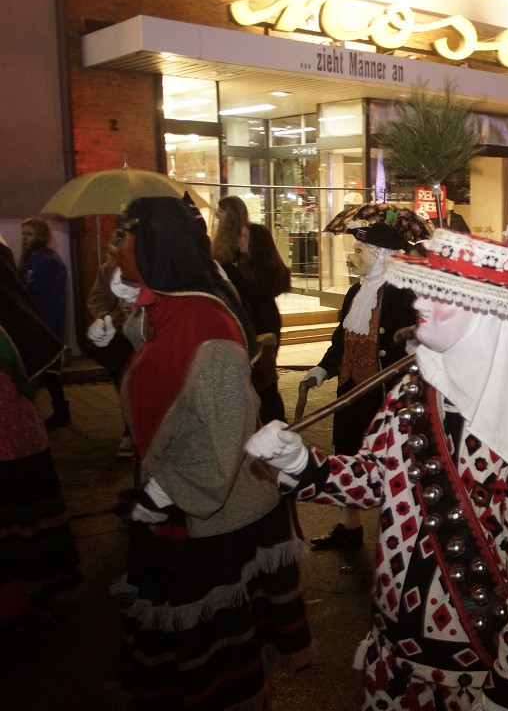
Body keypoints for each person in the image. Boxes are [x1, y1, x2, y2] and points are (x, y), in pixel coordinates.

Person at [246, 227, 508, 710]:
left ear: (487, 314)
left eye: (440, 293)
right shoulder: (412, 392)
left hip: (472, 679)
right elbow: (372, 480)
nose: (420, 300)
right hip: (393, 657)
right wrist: (298, 462)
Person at [108, 197, 312, 710]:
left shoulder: (206, 324)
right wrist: (132, 314)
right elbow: (160, 364)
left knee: (214, 657)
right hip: (181, 500)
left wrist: (163, 490)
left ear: (155, 246)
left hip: (208, 512)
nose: (113, 249)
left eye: (122, 237)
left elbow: (223, 441)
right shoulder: (174, 304)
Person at [302, 219, 425, 551]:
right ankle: (350, 528)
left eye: (359, 251)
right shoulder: (355, 292)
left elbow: (416, 347)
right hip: (350, 394)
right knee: (347, 455)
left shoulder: (403, 295)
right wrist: (322, 370)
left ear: (381, 254)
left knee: (391, 465)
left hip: (386, 400)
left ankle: (397, 533)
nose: (352, 256)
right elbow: (342, 341)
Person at [0, 248, 82, 631]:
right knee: (23, 522)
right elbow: (26, 375)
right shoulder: (8, 323)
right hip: (15, 441)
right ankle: (19, 603)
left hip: (12, 438)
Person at [231, 222, 292, 424]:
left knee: (265, 380)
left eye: (244, 236)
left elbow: (255, 292)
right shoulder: (240, 263)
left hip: (263, 325)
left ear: (256, 243)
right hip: (254, 323)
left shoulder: (263, 269)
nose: (239, 240)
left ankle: (275, 424)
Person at [19, 217, 70, 428]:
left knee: (47, 371)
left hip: (45, 324)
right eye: (23, 234)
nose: (24, 239)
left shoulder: (45, 259)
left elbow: (34, 292)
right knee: (47, 372)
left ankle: (59, 412)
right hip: (41, 323)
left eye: (29, 234)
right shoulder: (35, 257)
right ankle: (58, 411)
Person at [85, 257, 138, 457]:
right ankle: (130, 430)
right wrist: (102, 315)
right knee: (124, 382)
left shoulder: (152, 261)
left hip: (146, 337)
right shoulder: (110, 268)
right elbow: (98, 296)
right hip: (121, 335)